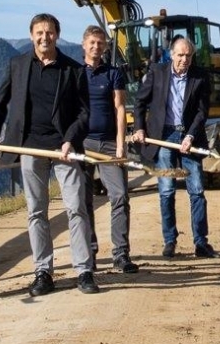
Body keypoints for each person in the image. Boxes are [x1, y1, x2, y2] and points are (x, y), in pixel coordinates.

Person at [0, 13, 98, 296]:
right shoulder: (18, 65)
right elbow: (0, 105)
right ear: (32, 35)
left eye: (49, 32)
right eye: (39, 33)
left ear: (57, 35)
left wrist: (71, 139)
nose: (44, 37)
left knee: (76, 209)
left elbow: (85, 112)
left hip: (64, 150)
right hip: (29, 147)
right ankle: (43, 272)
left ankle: (84, 270)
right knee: (36, 212)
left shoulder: (72, 69)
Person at [132, 35, 218, 259]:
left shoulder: (200, 77)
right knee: (167, 190)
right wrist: (139, 128)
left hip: (190, 136)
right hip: (163, 136)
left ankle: (201, 243)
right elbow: (140, 101)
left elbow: (202, 112)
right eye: (180, 55)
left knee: (197, 190)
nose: (184, 59)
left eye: (188, 55)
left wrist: (190, 135)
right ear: (171, 54)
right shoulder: (157, 73)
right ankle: (170, 241)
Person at [79, 25, 140, 274]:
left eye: (101, 43)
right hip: (82, 143)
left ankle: (121, 254)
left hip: (108, 144)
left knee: (119, 196)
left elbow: (119, 108)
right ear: (84, 44)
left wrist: (120, 143)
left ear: (106, 46)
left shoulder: (114, 74)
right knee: (83, 201)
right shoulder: (75, 73)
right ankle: (89, 254)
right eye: (92, 42)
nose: (96, 47)